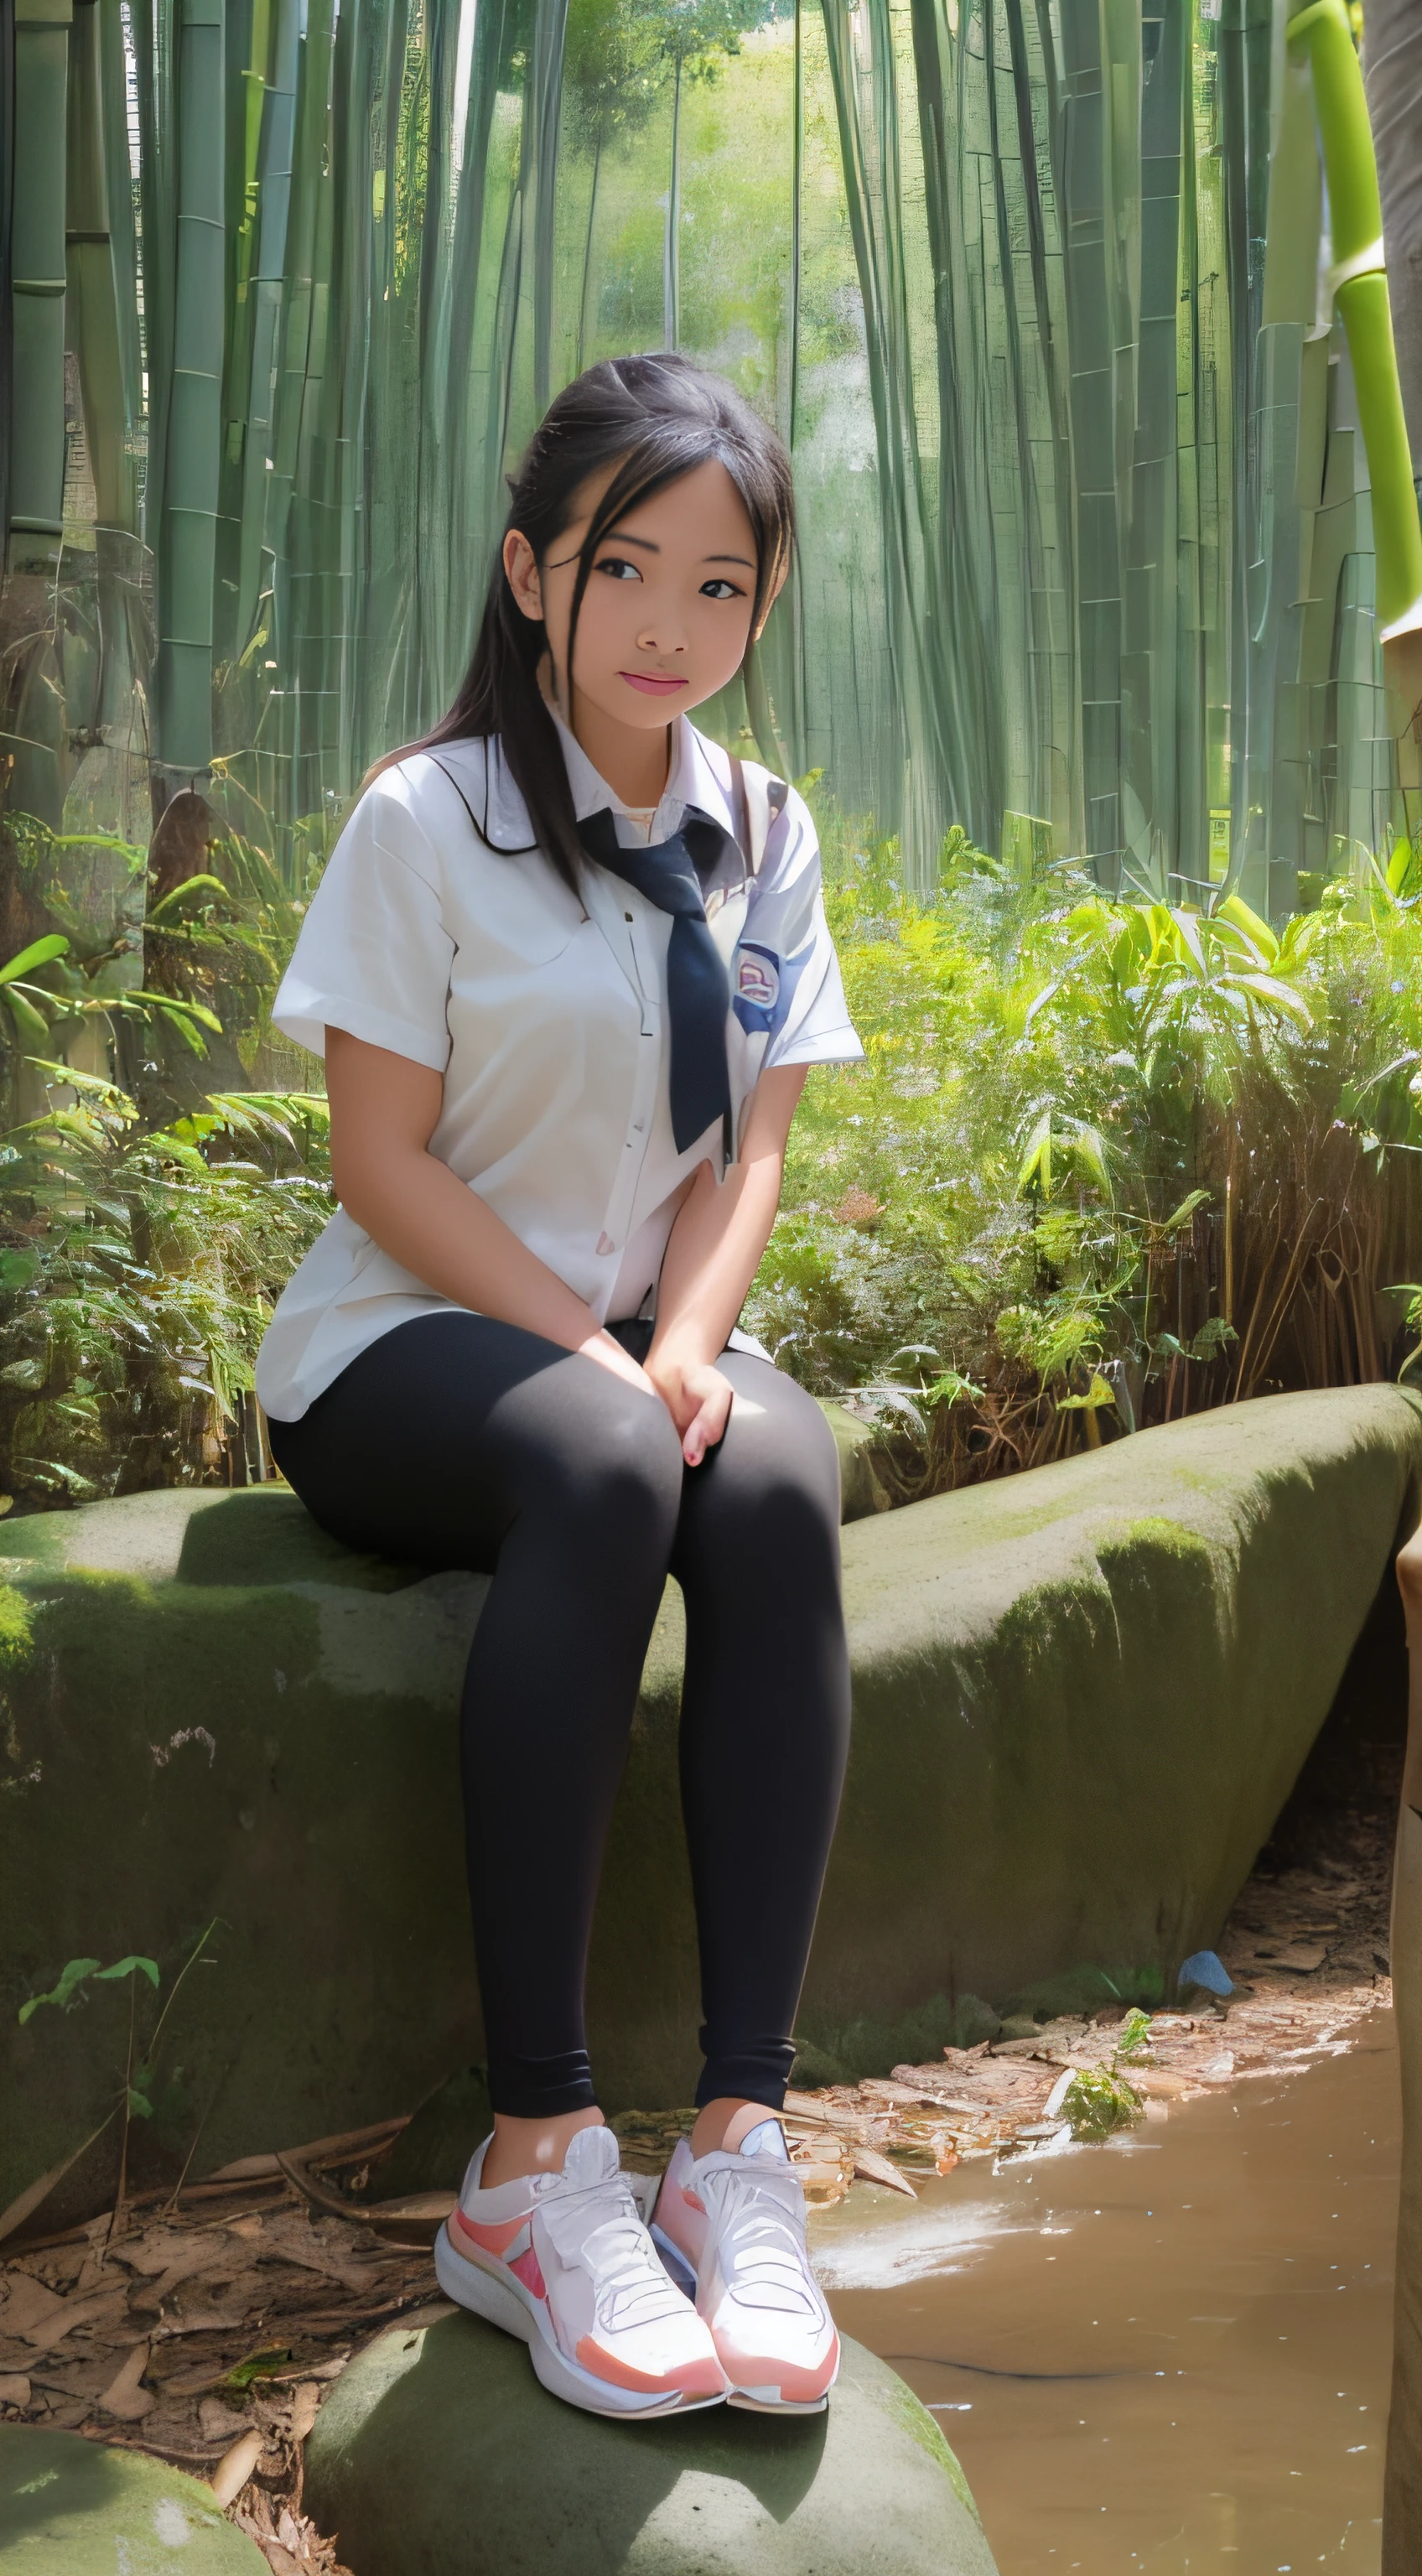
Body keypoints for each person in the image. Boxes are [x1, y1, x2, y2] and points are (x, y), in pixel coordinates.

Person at [255, 353, 864, 2423]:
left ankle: (733, 2150)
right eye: (627, 570)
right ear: (532, 572)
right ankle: (528, 2170)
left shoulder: (761, 828)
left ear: (756, 614)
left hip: (633, 1337)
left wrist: (684, 1351)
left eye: (720, 586)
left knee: (778, 1484)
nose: (670, 625)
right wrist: (604, 1362)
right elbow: (380, 1165)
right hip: (407, 1347)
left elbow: (754, 1142)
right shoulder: (425, 820)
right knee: (612, 1464)